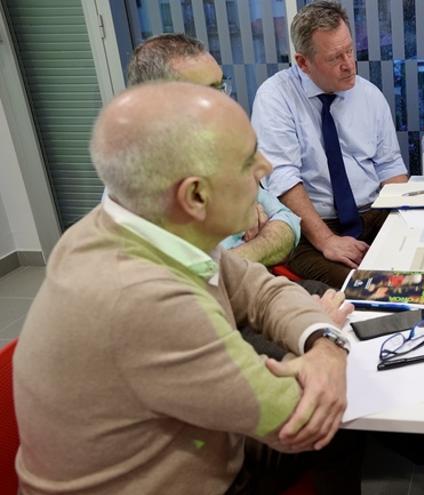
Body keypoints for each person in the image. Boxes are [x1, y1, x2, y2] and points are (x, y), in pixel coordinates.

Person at [13, 82, 361, 494]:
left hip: (196, 448)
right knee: (342, 419)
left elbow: (260, 289)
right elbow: (295, 419)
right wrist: (332, 349)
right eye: (248, 160)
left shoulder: (146, 226)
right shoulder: (140, 298)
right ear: (195, 195)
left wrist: (320, 337)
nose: (265, 167)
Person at [252, 1, 408, 288]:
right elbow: (283, 178)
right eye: (335, 57)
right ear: (303, 62)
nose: (349, 65)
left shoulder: (369, 95)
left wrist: (404, 223)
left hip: (373, 213)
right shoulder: (275, 97)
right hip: (312, 228)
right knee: (375, 287)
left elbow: (390, 167)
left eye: (350, 50)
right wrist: (327, 240)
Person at [126, 33, 301, 267]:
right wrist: (246, 252)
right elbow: (192, 278)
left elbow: (289, 223)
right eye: (209, 93)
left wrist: (248, 249)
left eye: (221, 87)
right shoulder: (134, 192)